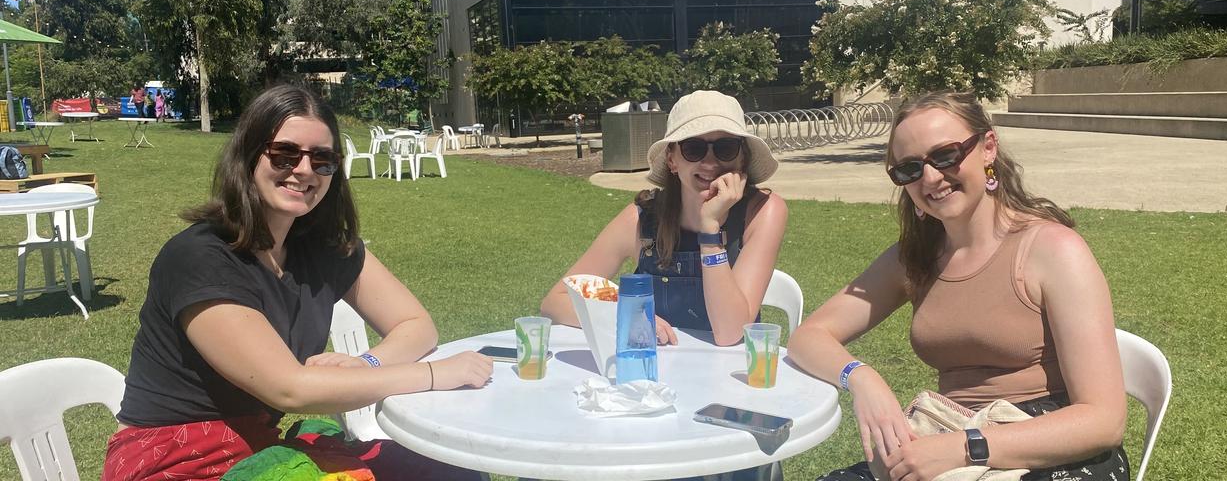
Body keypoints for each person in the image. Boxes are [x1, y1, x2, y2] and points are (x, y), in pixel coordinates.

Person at [103, 85, 492, 481]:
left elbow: (416, 325)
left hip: (260, 450)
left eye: (322, 159)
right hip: (177, 460)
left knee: (448, 470)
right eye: (285, 154)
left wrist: (365, 362)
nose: (304, 170)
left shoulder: (322, 249)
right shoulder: (200, 258)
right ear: (249, 156)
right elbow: (290, 389)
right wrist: (432, 375)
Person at [788, 91, 1129, 481]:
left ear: (987, 148)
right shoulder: (914, 258)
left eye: (946, 155)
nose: (930, 178)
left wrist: (965, 447)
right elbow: (808, 337)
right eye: (909, 169)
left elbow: (1103, 420)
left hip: (1049, 449)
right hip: (949, 437)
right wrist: (862, 379)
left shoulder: (1052, 250)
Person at [541, 90, 788, 346]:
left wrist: (710, 230)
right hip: (656, 374)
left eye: (725, 148)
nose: (710, 162)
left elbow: (730, 333)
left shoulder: (763, 212)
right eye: (694, 148)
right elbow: (556, 301)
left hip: (732, 376)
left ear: (742, 158)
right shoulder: (641, 219)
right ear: (672, 160)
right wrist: (626, 316)